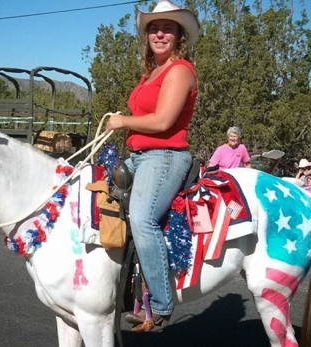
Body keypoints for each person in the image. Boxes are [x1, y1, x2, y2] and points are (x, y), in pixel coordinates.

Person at [105, 0, 199, 331]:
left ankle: (160, 304)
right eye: (154, 28)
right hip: (139, 155)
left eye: (167, 28)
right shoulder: (151, 74)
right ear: (147, 35)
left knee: (142, 218)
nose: (160, 34)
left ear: (179, 36)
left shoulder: (180, 70)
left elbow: (161, 122)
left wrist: (121, 121)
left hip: (165, 156)